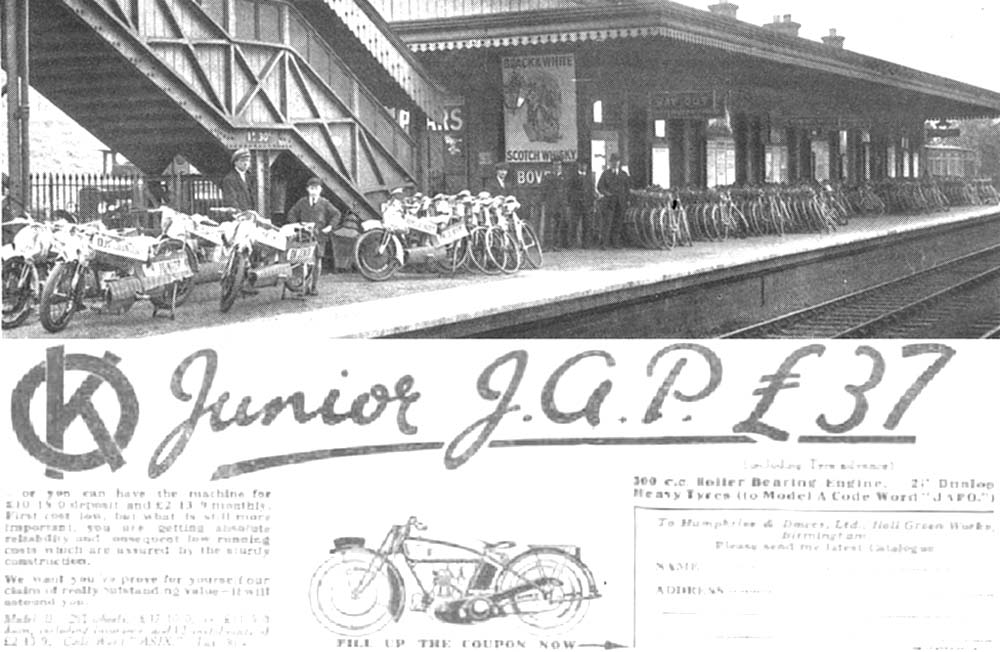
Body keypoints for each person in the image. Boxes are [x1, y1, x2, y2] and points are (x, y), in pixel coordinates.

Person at [286, 177, 341, 293]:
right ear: (307, 189)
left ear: (320, 190)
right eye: (311, 188)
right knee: (303, 261)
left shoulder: (325, 203)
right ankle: (304, 286)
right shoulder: (302, 202)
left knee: (317, 262)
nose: (314, 191)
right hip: (305, 236)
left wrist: (330, 227)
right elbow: (291, 213)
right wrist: (297, 225)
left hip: (319, 235)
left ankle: (314, 286)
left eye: (316, 188)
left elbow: (337, 214)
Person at [597, 153, 631, 249]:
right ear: (610, 162)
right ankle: (604, 243)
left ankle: (615, 242)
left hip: (620, 202)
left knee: (618, 222)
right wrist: (606, 193)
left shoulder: (624, 175)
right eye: (613, 161)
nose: (615, 163)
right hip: (609, 202)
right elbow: (599, 186)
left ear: (619, 163)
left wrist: (627, 200)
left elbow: (627, 189)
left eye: (617, 161)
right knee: (607, 222)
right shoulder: (605, 174)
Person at [540, 156, 570, 250]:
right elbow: (543, 190)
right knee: (548, 225)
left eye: (559, 164)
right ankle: (546, 245)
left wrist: (566, 202)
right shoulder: (547, 177)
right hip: (550, 203)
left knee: (559, 224)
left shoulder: (565, 176)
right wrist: (544, 201)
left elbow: (568, 190)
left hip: (561, 204)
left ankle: (557, 245)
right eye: (555, 164)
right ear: (552, 166)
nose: (557, 166)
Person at [221, 147, 256, 215]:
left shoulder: (250, 177)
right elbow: (231, 201)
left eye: (248, 160)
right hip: (239, 216)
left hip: (251, 215)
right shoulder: (229, 179)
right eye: (242, 160)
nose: (246, 163)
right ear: (235, 162)